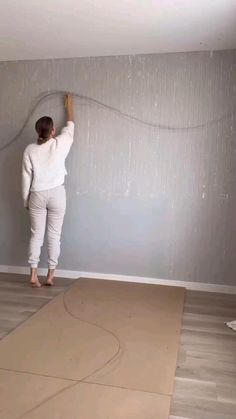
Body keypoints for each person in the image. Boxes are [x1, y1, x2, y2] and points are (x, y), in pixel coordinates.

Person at [22, 94, 74, 287]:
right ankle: (50, 276)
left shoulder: (29, 150)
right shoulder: (60, 143)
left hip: (37, 194)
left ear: (37, 131)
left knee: (36, 235)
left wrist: (25, 200)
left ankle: (33, 275)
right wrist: (70, 106)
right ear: (53, 131)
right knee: (54, 236)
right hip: (57, 194)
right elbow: (70, 126)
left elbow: (26, 178)